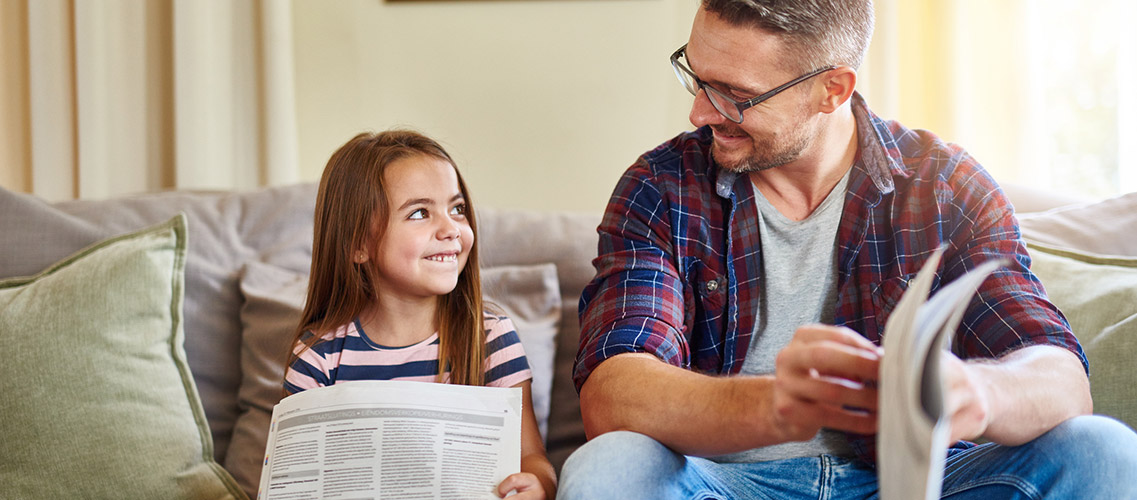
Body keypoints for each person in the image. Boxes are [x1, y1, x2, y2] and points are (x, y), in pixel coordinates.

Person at [559, 1, 1137, 498]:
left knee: (1104, 449)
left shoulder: (946, 185)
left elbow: (1061, 379)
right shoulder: (661, 185)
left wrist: (978, 391)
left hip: (917, 484)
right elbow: (615, 391)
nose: (700, 113)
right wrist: (779, 405)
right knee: (606, 468)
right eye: (696, 76)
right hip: (721, 484)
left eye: (735, 96)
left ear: (831, 89)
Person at [283, 130, 556, 499]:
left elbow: (531, 458)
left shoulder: (490, 337)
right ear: (358, 244)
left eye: (457, 208)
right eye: (420, 213)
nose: (451, 229)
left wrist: (539, 485)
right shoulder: (318, 357)